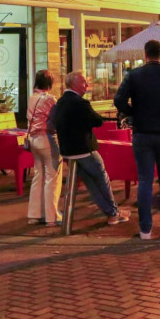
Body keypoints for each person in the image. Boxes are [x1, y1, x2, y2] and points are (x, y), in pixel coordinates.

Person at [113, 40, 160, 240]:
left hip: (142, 133)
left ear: (145, 54)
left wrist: (133, 113)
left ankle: (145, 229)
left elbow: (118, 100)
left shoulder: (134, 75)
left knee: (145, 181)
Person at [50, 71, 130, 225]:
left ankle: (111, 213)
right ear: (74, 84)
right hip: (84, 149)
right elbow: (96, 120)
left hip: (68, 151)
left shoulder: (60, 102)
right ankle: (113, 213)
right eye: (84, 82)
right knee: (102, 179)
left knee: (91, 184)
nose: (87, 85)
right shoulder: (80, 103)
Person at [26, 69, 62, 226]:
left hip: (33, 139)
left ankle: (34, 215)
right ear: (50, 83)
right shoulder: (49, 99)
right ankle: (51, 217)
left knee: (38, 176)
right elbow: (57, 118)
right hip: (47, 140)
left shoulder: (32, 97)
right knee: (52, 178)